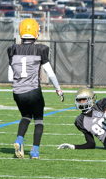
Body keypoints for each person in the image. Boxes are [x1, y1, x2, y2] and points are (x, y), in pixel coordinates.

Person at [8, 17, 64, 159]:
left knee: (26, 116)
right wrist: (58, 89)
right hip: (33, 91)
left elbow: (10, 77)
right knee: (38, 120)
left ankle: (19, 140)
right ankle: (35, 151)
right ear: (36, 33)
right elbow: (50, 73)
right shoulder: (40, 49)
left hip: (17, 91)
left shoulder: (12, 49)